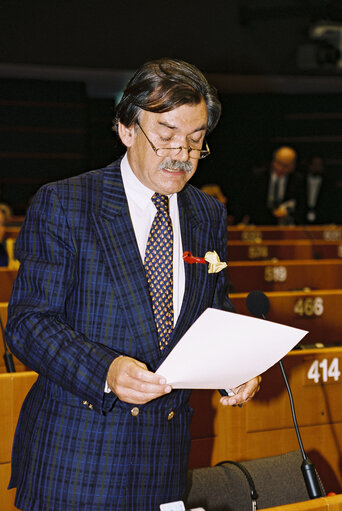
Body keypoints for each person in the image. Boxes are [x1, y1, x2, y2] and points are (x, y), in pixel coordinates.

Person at [5, 58, 261, 511]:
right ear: (127, 129)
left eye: (196, 140)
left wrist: (234, 367)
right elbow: (28, 323)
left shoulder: (207, 214)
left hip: (163, 460)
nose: (181, 154)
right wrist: (105, 370)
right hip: (78, 458)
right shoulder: (66, 203)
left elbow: (211, 313)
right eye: (165, 135)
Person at [243, 146, 301, 225]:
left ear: (293, 166)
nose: (281, 169)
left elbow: (301, 206)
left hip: (286, 225)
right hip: (260, 223)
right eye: (279, 164)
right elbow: (249, 202)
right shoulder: (258, 177)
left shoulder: (298, 180)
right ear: (273, 162)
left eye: (286, 166)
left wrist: (288, 212)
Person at [299, 155, 339, 224]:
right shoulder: (300, 181)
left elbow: (333, 204)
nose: (316, 167)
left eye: (319, 164)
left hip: (323, 220)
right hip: (302, 220)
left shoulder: (329, 184)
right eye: (314, 164)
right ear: (309, 165)